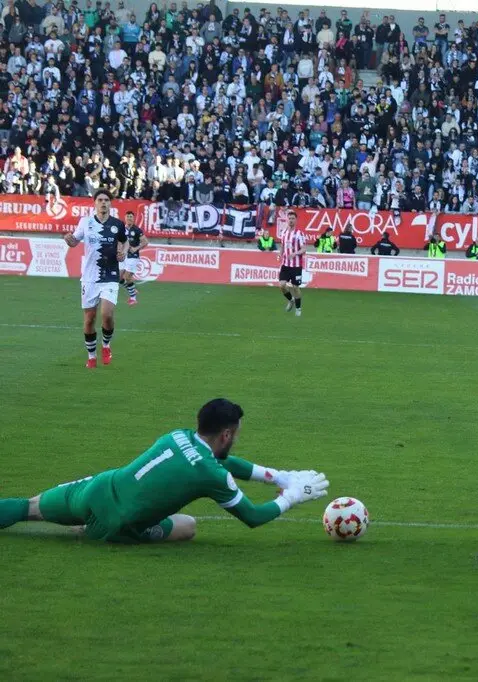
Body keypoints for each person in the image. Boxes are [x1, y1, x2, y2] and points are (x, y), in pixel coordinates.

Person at [0, 399, 330, 542]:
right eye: (236, 433)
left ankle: (80, 523)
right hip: (118, 524)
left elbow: (222, 460)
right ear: (226, 434)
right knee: (188, 526)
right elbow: (253, 517)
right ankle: (88, 532)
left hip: (97, 488)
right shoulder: (210, 476)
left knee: (28, 507)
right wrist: (292, 496)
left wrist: (276, 476)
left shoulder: (178, 435)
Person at [63, 189, 127, 369]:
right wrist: (69, 240)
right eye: (100, 200)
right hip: (90, 277)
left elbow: (125, 241)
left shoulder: (117, 224)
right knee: (89, 318)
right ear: (95, 203)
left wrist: (123, 252)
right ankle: (91, 356)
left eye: (106, 200)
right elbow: (75, 241)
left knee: (106, 314)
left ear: (110, 203)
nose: (103, 203)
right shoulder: (86, 222)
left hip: (110, 275)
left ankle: (106, 345)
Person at [278, 209, 306, 317]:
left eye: (293, 218)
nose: (291, 220)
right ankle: (291, 300)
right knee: (282, 285)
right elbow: (282, 246)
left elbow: (304, 249)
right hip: (285, 265)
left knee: (295, 287)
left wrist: (295, 253)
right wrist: (280, 254)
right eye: (289, 218)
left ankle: (298, 308)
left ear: (296, 220)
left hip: (296, 266)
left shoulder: (300, 234)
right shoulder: (284, 232)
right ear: (287, 220)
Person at [119, 210, 147, 306]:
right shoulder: (122, 229)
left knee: (127, 277)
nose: (129, 218)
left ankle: (133, 298)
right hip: (124, 256)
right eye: (128, 217)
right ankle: (132, 289)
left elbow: (145, 242)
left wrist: (136, 248)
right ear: (125, 218)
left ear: (133, 219)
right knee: (118, 278)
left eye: (131, 217)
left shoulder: (137, 230)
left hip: (133, 257)